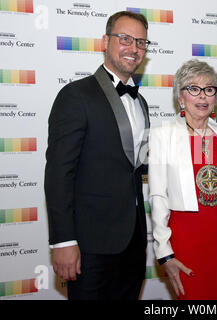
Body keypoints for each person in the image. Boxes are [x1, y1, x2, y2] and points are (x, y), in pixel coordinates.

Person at [44, 11, 150, 300]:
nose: (134, 48)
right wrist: (63, 240)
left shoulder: (141, 102)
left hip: (133, 243)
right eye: (125, 38)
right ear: (105, 41)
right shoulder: (76, 95)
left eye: (141, 42)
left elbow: (136, 164)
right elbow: (58, 174)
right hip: (89, 246)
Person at [148, 59, 217, 300]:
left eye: (209, 89)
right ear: (180, 98)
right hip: (189, 240)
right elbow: (158, 196)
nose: (202, 96)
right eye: (193, 89)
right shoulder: (163, 135)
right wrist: (165, 252)